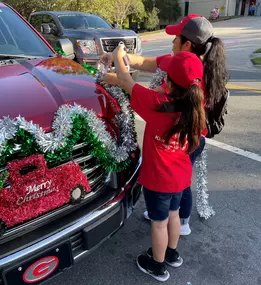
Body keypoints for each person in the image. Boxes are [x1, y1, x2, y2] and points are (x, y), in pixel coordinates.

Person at [101, 14, 228, 236]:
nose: (171, 43)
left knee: (177, 182)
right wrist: (117, 58)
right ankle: (173, 220)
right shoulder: (188, 65)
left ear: (187, 44)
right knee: (178, 180)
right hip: (189, 137)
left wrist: (117, 61)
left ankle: (180, 220)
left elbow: (129, 83)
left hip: (182, 138)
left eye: (175, 38)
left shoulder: (190, 75)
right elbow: (146, 62)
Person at [112, 46, 206, 281]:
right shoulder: (196, 108)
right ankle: (172, 254)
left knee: (159, 224)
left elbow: (125, 80)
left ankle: (157, 264)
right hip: (180, 177)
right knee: (174, 215)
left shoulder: (158, 104)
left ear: (170, 83)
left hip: (159, 180)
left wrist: (116, 54)